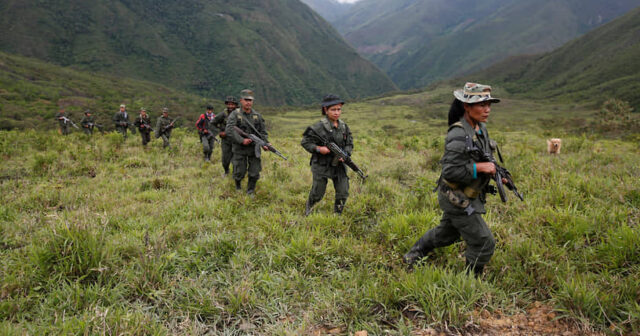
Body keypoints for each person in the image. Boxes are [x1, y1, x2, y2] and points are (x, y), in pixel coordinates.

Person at [403, 82, 502, 278]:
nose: (487, 110)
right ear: (467, 106)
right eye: (481, 105)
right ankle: (470, 282)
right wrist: (480, 168)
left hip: (466, 195)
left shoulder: (480, 129)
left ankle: (413, 255)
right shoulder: (458, 134)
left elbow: (484, 158)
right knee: (483, 241)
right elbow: (450, 171)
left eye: (488, 105)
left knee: (447, 234)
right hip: (456, 197)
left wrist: (496, 173)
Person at [301, 94, 353, 215]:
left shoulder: (344, 127)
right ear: (325, 110)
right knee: (318, 192)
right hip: (321, 164)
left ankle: (338, 214)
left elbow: (349, 143)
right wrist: (319, 149)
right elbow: (305, 142)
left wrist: (345, 154)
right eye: (333, 109)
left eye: (339, 109)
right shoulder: (317, 127)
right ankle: (309, 207)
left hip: (339, 165)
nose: (336, 112)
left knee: (343, 191)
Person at [225, 89, 270, 195]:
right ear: (241, 101)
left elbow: (263, 132)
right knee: (239, 171)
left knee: (254, 171)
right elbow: (229, 130)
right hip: (239, 148)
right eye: (246, 100)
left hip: (254, 149)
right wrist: (242, 140)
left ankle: (250, 190)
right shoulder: (235, 114)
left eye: (250, 100)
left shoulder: (257, 116)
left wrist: (266, 143)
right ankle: (238, 186)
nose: (248, 102)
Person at [212, 96, 239, 174]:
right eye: (229, 104)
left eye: (232, 104)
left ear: (236, 105)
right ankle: (226, 171)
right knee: (225, 159)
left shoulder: (240, 114)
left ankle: (236, 174)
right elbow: (212, 123)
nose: (230, 106)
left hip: (237, 140)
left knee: (236, 159)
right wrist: (219, 132)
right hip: (226, 140)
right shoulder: (223, 114)